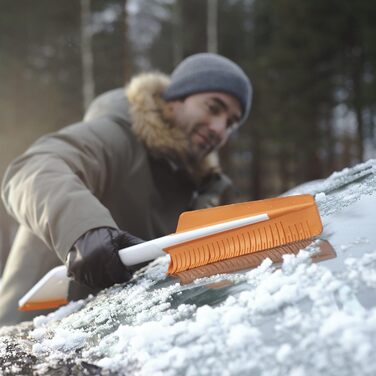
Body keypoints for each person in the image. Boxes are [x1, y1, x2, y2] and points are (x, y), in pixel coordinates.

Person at [0, 53, 252, 325]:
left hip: (103, 347)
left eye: (230, 123)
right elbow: (31, 170)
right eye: (213, 108)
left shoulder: (200, 189)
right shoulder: (116, 137)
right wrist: (85, 231)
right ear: (175, 99)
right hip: (25, 338)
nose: (219, 129)